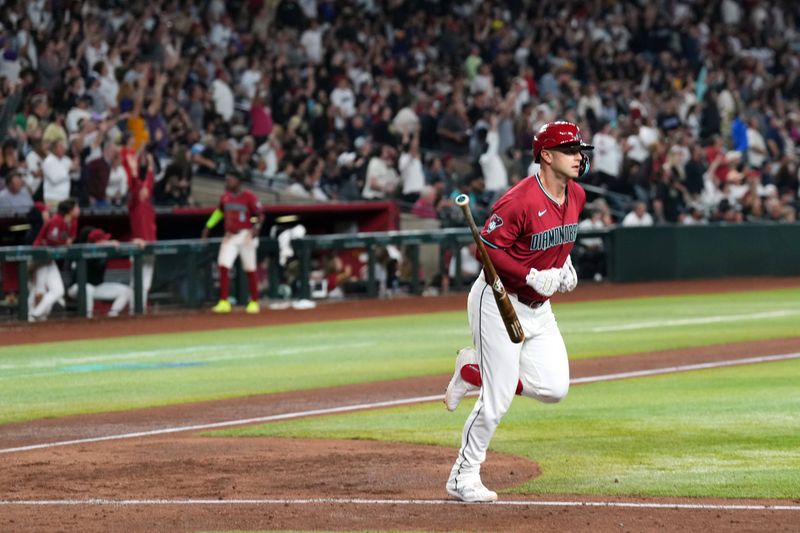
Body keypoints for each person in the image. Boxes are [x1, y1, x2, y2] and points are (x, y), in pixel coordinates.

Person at [443, 121, 593, 502]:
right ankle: (463, 475)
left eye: (580, 150)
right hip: (497, 300)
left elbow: (560, 241)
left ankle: (472, 369)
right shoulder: (519, 200)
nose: (579, 156)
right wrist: (530, 274)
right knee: (496, 403)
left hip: (539, 309)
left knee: (554, 387)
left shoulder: (576, 195)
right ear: (546, 155)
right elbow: (485, 251)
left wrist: (564, 268)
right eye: (571, 150)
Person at [201, 170, 264, 313]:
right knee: (223, 265)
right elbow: (219, 212)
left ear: (238, 181)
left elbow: (260, 215)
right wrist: (208, 226)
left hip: (245, 235)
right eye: (227, 180)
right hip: (230, 235)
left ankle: (254, 301)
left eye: (230, 180)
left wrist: (256, 228)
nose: (227, 182)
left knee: (250, 268)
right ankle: (224, 301)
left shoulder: (249, 196)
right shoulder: (225, 197)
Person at [29, 198, 79, 321]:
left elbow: (69, 240)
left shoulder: (73, 222)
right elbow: (52, 241)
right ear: (70, 210)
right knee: (38, 290)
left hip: (50, 260)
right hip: (39, 258)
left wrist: (65, 242)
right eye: (76, 207)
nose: (78, 210)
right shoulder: (56, 220)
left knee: (58, 291)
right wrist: (64, 243)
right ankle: (31, 316)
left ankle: (35, 314)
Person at [67, 226, 132, 318]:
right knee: (87, 288)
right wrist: (106, 245)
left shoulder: (103, 250)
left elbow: (123, 253)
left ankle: (112, 315)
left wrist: (110, 244)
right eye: (103, 240)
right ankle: (87, 319)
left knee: (126, 291)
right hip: (77, 287)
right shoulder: (85, 250)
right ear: (96, 243)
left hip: (96, 287)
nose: (106, 242)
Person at [124, 146, 157, 311]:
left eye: (146, 189)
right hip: (137, 245)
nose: (144, 190)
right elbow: (135, 184)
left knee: (145, 283)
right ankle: (134, 311)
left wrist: (150, 165)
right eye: (142, 189)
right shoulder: (135, 203)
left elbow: (148, 182)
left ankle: (139, 310)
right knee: (135, 282)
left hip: (150, 245)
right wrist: (133, 168)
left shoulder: (147, 201)